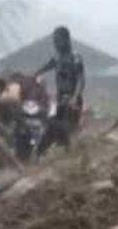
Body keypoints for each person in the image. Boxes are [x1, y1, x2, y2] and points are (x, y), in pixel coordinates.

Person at [34, 26, 85, 154]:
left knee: (68, 129)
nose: (55, 44)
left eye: (58, 40)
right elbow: (44, 68)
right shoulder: (57, 58)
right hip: (60, 99)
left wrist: (75, 97)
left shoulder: (75, 57)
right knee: (52, 126)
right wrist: (35, 75)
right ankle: (41, 153)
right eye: (54, 41)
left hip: (72, 99)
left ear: (66, 40)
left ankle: (74, 153)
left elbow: (81, 80)